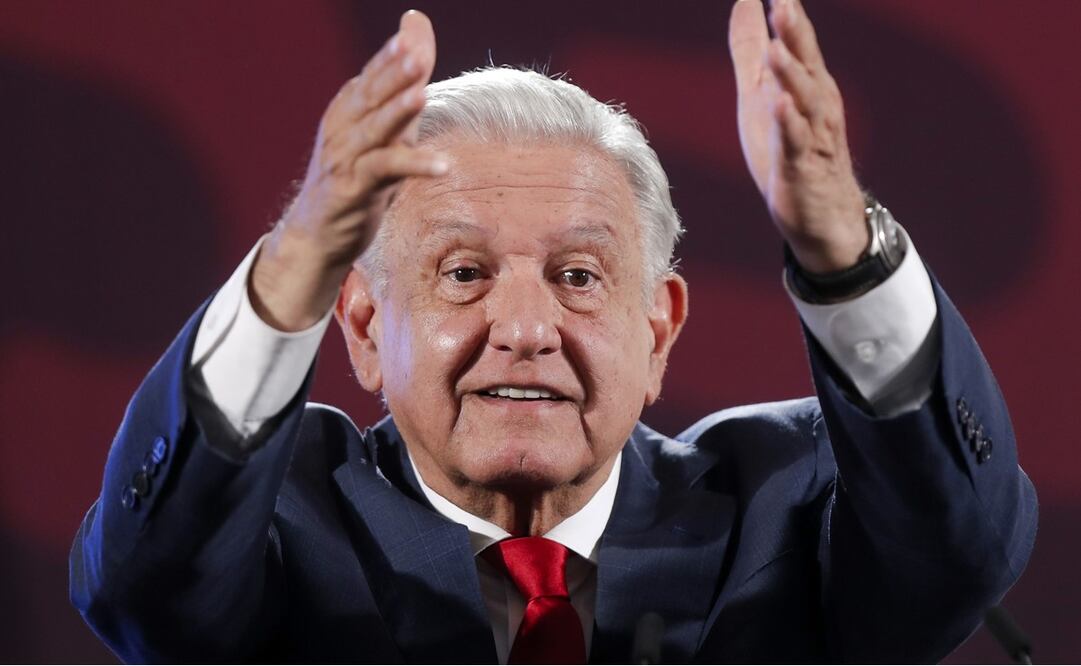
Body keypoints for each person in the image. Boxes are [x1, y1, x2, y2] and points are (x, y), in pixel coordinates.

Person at [70, 1, 1036, 663]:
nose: (526, 327)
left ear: (657, 331)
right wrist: (291, 270)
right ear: (362, 327)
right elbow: (149, 586)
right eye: (463, 274)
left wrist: (844, 252)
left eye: (577, 277)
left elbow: (956, 546)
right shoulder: (281, 515)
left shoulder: (781, 505)